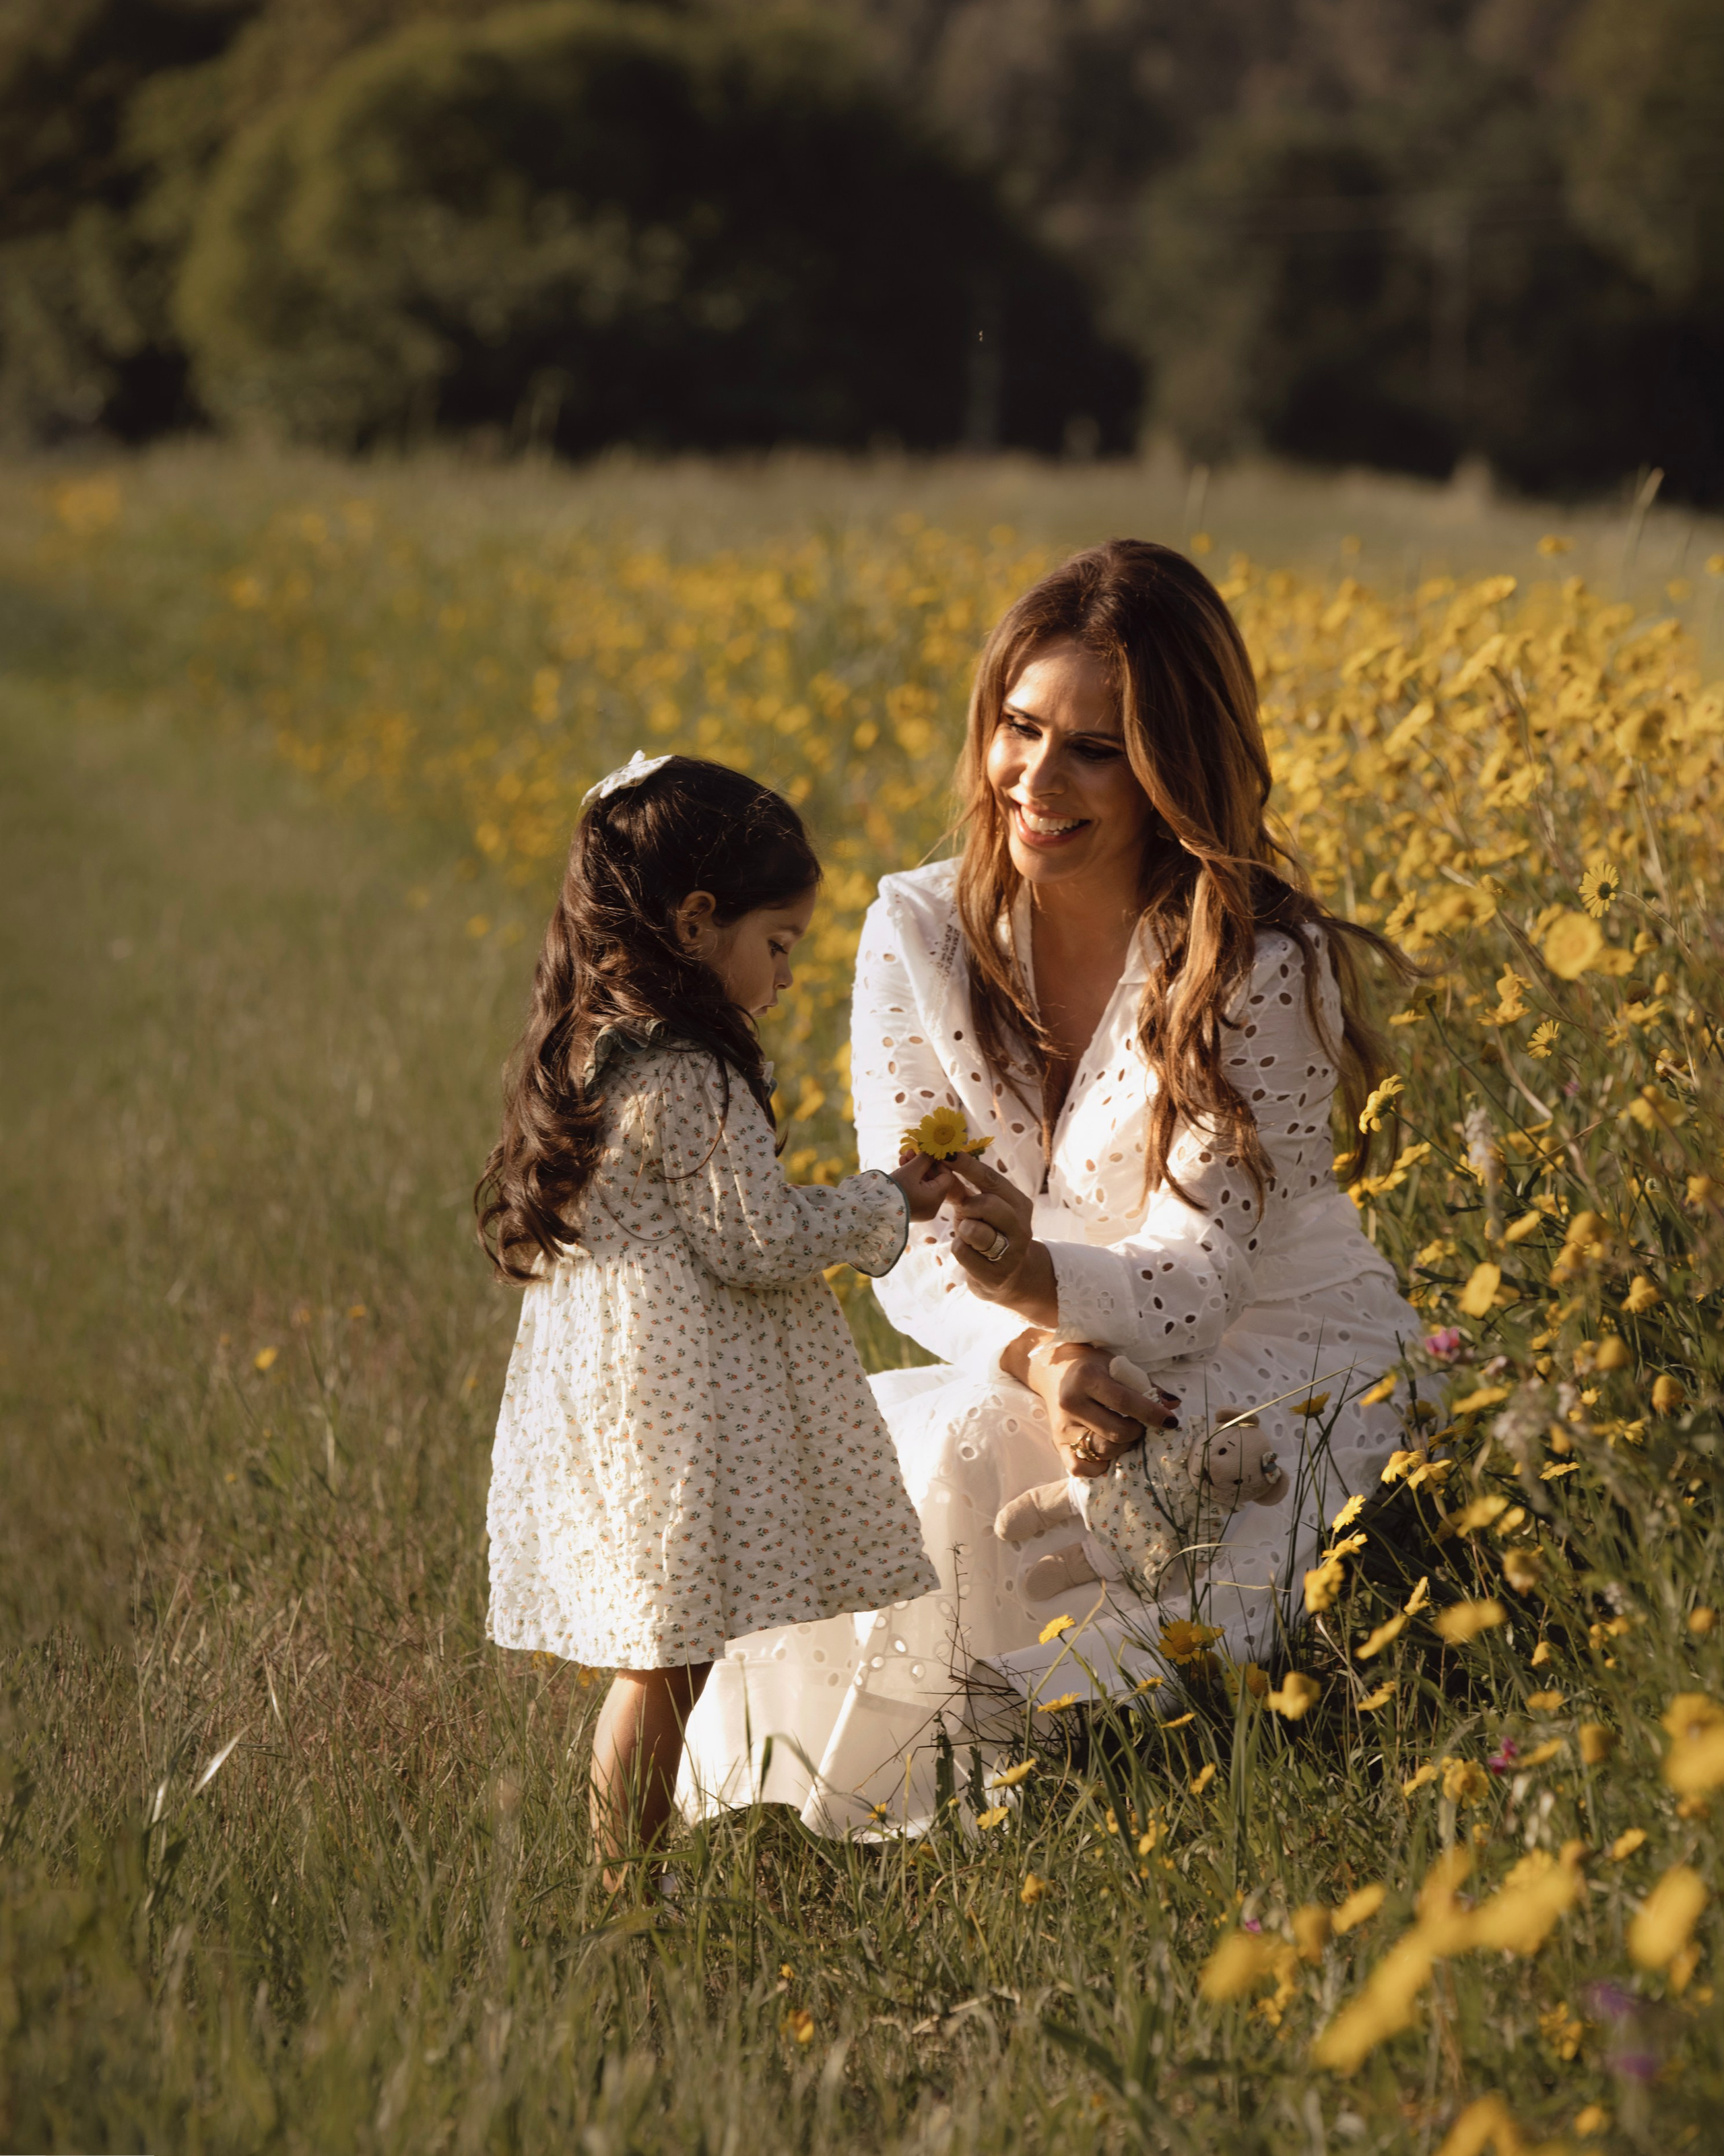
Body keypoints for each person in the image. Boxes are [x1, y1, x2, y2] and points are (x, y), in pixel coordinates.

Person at [679, 539, 1420, 1834]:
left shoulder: (1257, 958)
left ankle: (1064, 1779)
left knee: (1146, 1516)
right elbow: (912, 1240)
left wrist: (1035, 1279)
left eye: (1095, 748)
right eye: (1019, 727)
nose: (1036, 776)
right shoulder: (918, 931)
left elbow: (1199, 1277)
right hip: (1046, 1347)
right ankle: (854, 1812)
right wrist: (1042, 1353)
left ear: (1172, 767)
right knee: (946, 1443)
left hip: (1275, 1346)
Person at [476, 753, 951, 1886]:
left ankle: (628, 1874)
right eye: (777, 944)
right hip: (675, 1410)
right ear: (696, 922)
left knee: (665, 1649)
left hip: (628, 1389)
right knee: (669, 1655)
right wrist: (890, 1199)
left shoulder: (602, 1040)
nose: (785, 975)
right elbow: (758, 1238)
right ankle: (624, 1885)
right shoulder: (690, 1071)